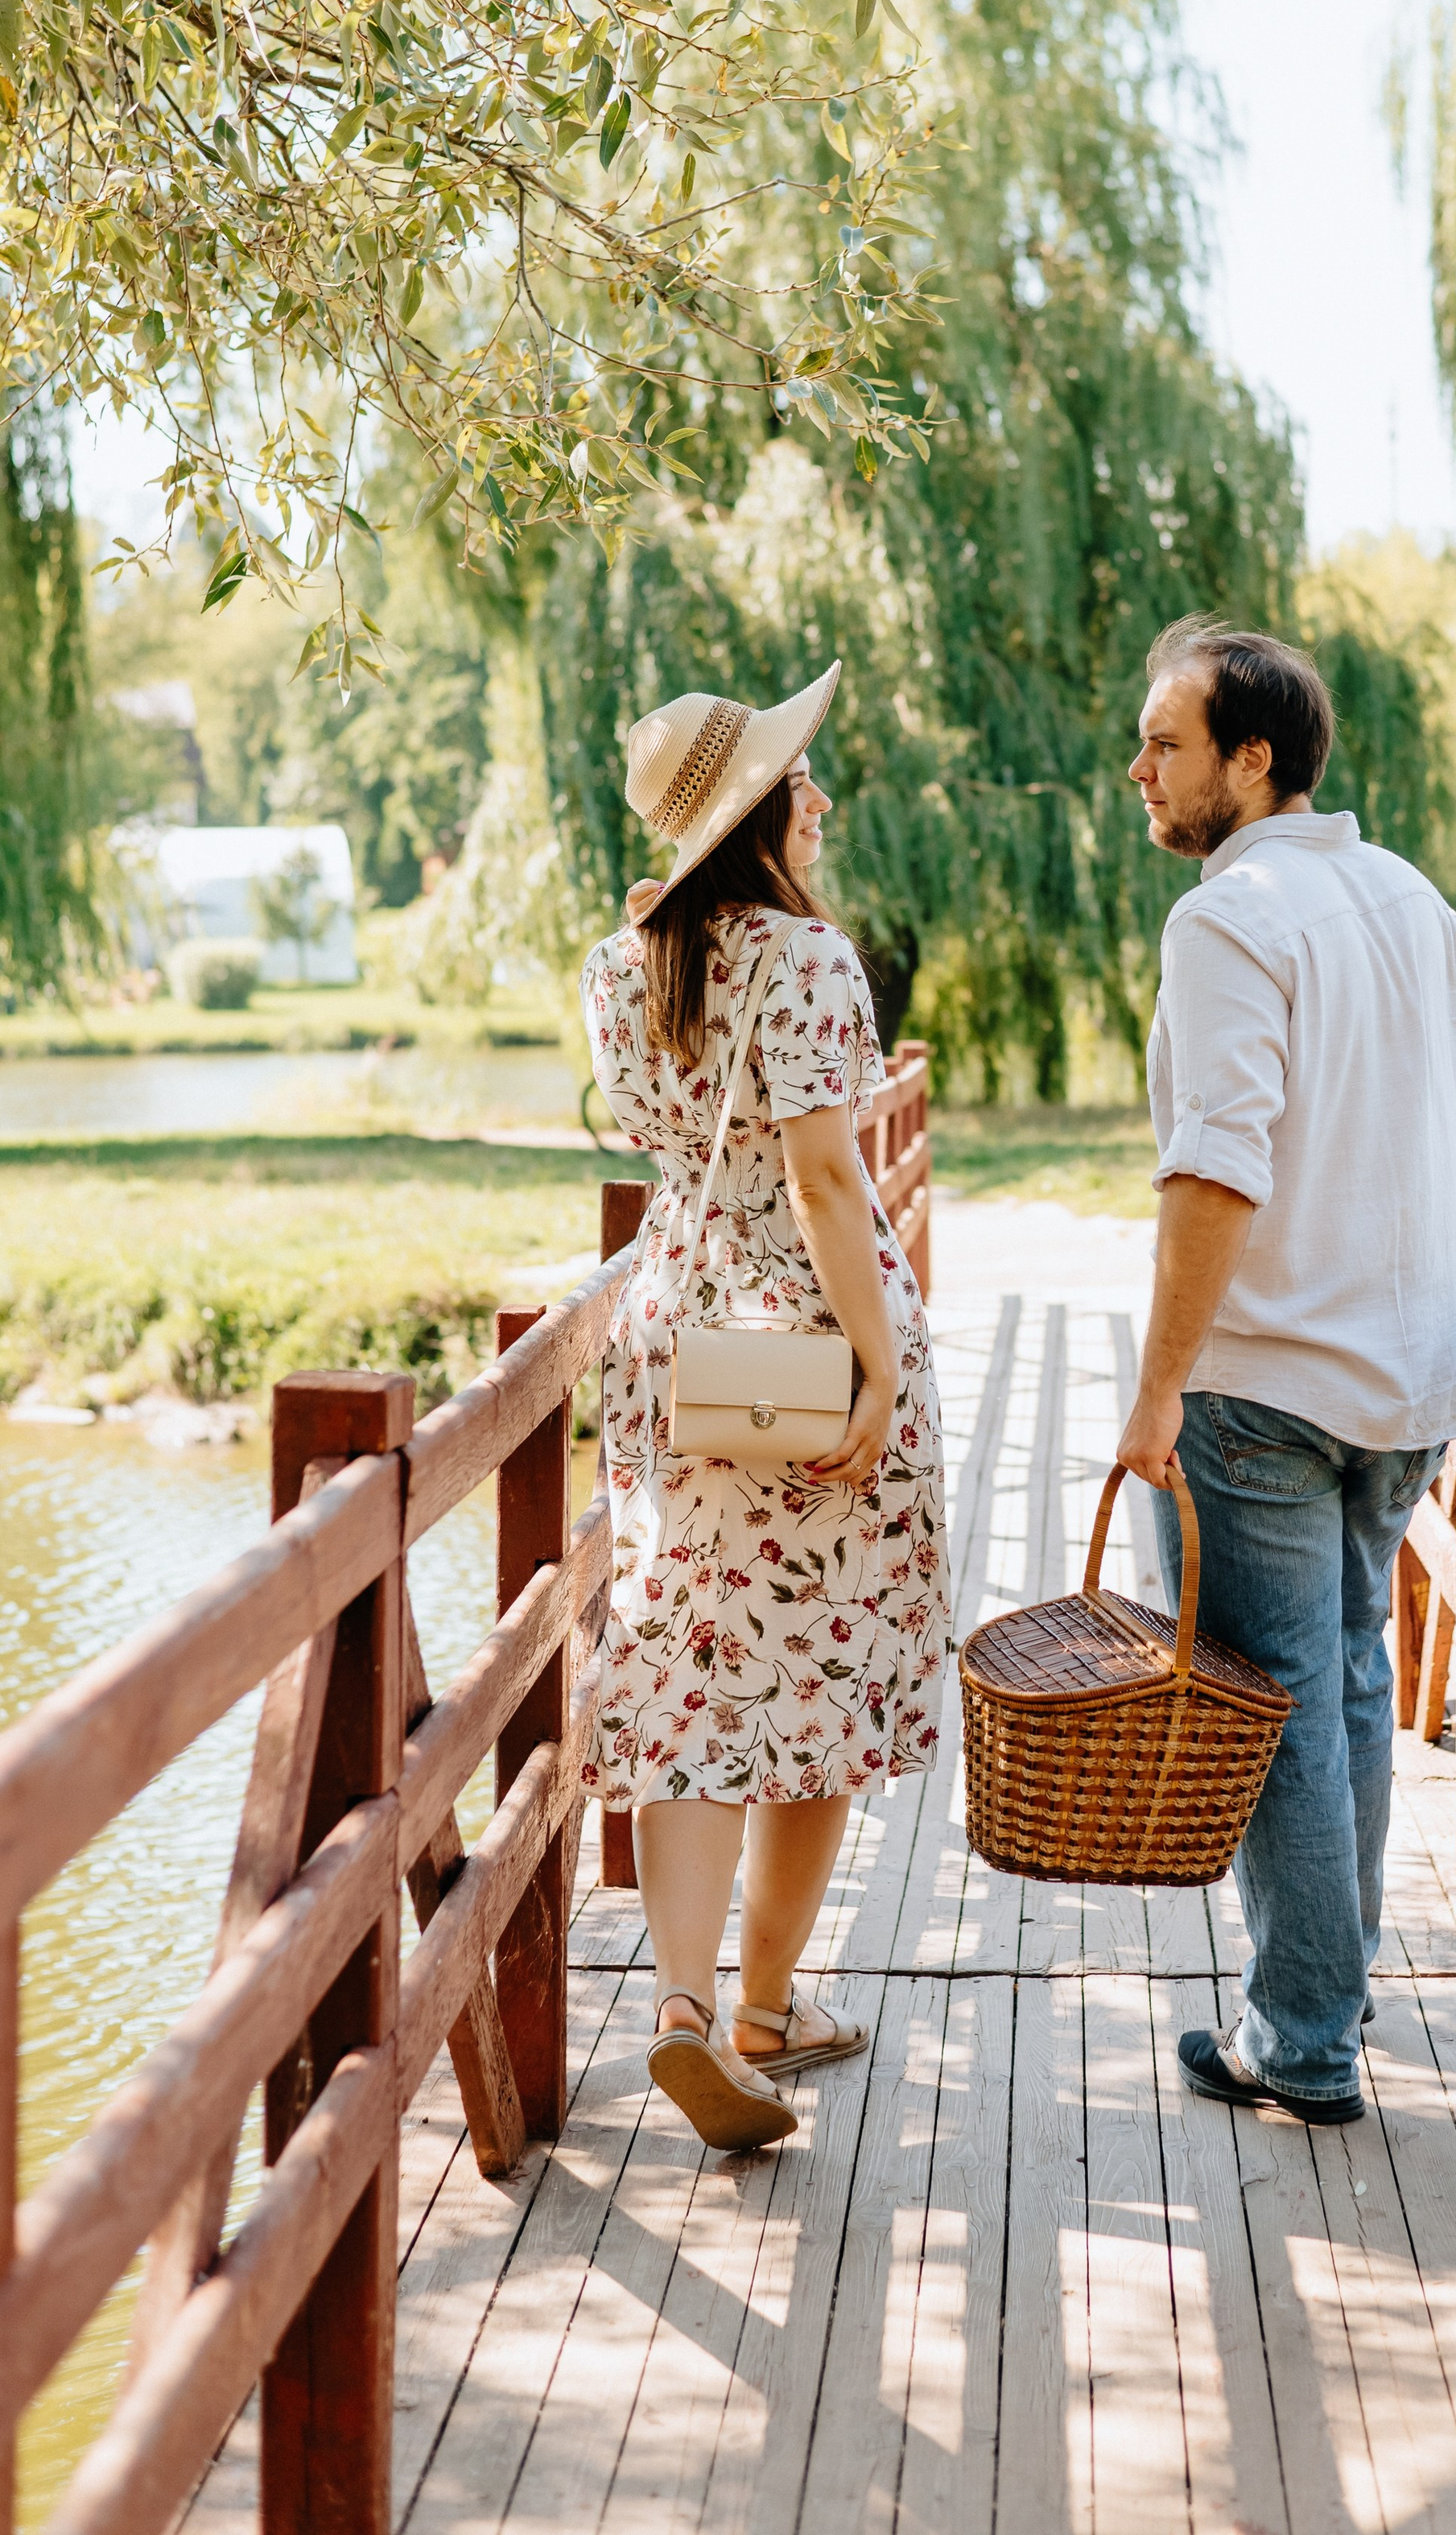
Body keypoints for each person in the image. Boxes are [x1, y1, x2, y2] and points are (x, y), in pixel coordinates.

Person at [1114, 617, 1456, 2126]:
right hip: (1399, 1386)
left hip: (1263, 1381)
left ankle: (1306, 2040)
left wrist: (1155, 1386)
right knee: (1351, 1684)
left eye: (1168, 744)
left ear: (1253, 761)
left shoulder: (1227, 921)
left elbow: (1216, 1170)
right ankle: (1331, 1994)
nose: (1141, 769)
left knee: (1284, 1706)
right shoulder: (1409, 900)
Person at [580, 661, 948, 2152]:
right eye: (806, 783)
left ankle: (676, 2002)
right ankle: (769, 2005)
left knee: (692, 1665)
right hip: (802, 1334)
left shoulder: (619, 969)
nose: (827, 797)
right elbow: (823, 1179)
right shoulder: (808, 961)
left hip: (677, 1331)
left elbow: (684, 1154)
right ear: (764, 816)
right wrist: (872, 1364)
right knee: (825, 1671)